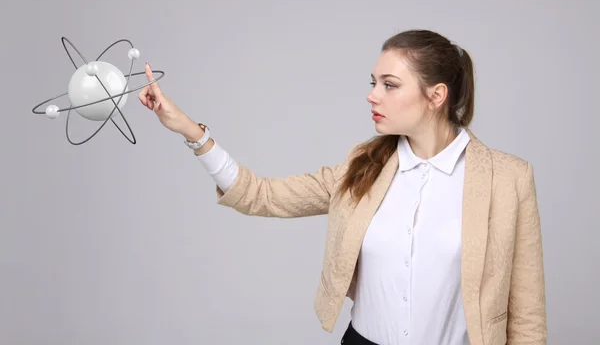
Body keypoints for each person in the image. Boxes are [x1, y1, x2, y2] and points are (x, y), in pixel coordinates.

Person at [139, 29, 547, 345]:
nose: (372, 95)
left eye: (390, 84)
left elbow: (526, 313)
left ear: (436, 95)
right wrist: (189, 131)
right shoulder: (361, 168)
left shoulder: (507, 179)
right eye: (373, 82)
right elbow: (260, 195)